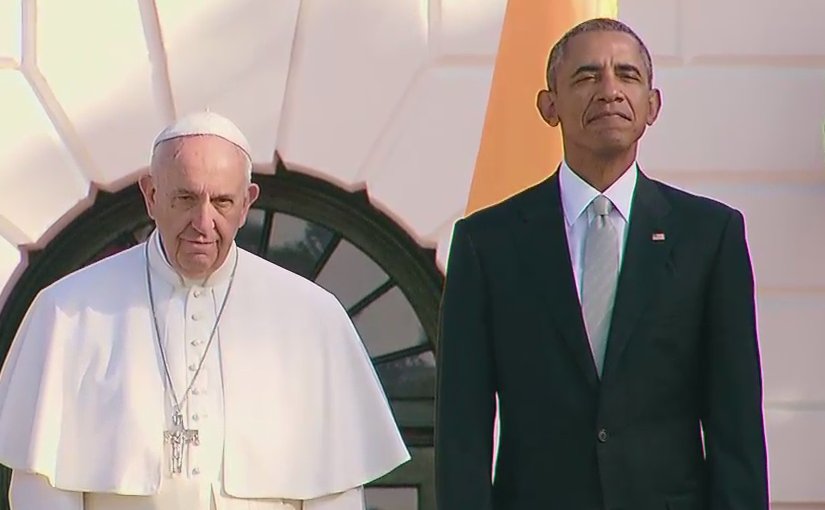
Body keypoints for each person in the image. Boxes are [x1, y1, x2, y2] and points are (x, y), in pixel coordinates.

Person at [435, 18, 769, 510]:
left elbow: (736, 423)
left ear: (652, 106)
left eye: (628, 76)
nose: (609, 91)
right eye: (587, 76)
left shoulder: (709, 236)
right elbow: (462, 431)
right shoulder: (487, 244)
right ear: (549, 106)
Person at [0, 111, 410, 509]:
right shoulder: (68, 312)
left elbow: (334, 493)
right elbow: (42, 489)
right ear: (151, 194)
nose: (204, 221)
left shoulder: (314, 318)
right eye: (186, 198)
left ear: (247, 202)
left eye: (223, 202)